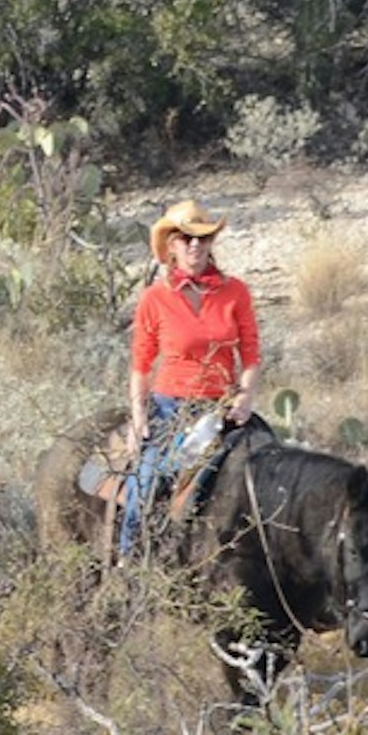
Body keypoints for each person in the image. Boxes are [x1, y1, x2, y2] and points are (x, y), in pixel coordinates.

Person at [122, 199, 261, 561]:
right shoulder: (154, 298)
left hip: (222, 408)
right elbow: (140, 364)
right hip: (170, 407)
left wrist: (245, 396)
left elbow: (250, 352)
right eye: (186, 238)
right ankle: (129, 563)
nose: (195, 245)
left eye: (203, 237)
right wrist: (139, 417)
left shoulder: (236, 293)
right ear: (171, 245)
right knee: (147, 482)